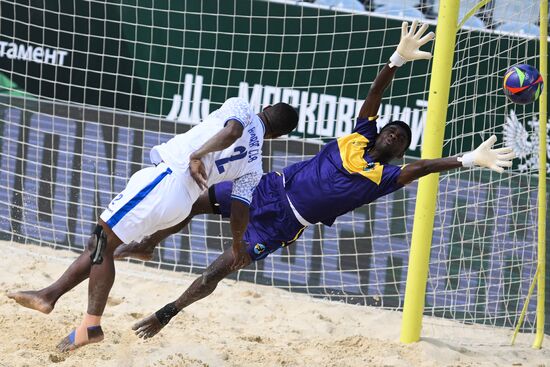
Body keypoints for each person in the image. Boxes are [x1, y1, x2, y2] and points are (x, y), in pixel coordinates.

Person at [114, 21, 514, 340]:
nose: (395, 133)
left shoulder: (386, 176)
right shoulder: (358, 136)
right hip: (268, 187)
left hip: (284, 223)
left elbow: (423, 168)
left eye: (403, 137)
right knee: (193, 198)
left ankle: (167, 312)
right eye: (392, 128)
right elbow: (375, 94)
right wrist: (395, 60)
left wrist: (466, 159)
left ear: (400, 151)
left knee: (222, 267)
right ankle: (148, 243)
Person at [7, 96, 299, 351]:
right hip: (182, 203)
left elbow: (233, 130)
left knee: (100, 243)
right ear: (276, 137)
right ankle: (49, 295)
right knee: (101, 245)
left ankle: (90, 326)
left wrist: (196, 154)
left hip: (166, 180)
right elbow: (240, 210)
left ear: (267, 107)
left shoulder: (242, 108)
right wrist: (237, 245)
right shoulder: (255, 164)